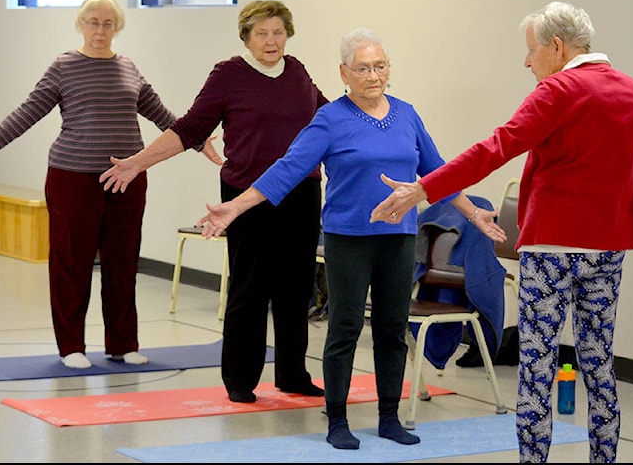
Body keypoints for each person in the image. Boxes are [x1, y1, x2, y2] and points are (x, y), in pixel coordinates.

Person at [370, 1, 633, 463]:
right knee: (599, 364)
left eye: (531, 51)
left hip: (552, 251)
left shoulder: (559, 90)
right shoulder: (632, 89)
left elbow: (497, 146)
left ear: (557, 46)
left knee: (538, 370)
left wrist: (423, 189)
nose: (527, 62)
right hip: (607, 250)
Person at [195, 27, 504, 450]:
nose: (373, 75)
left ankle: (389, 416)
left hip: (398, 238)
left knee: (393, 328)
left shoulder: (407, 114)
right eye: (363, 68)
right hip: (348, 239)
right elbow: (288, 169)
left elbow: (438, 173)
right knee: (344, 327)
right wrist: (236, 206)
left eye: (380, 66)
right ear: (344, 72)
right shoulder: (329, 119)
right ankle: (337, 420)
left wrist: (474, 214)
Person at [0, 0, 218, 370]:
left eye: (108, 23)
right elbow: (27, 113)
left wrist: (198, 140)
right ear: (81, 24)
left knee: (123, 262)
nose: (100, 30)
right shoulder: (64, 66)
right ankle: (71, 347)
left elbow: (162, 115)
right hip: (72, 178)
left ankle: (122, 343)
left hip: (127, 180)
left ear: (117, 28)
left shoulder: (128, 67)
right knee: (71, 264)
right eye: (93, 22)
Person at [100, 0, 328, 404]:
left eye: (278, 32)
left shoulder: (297, 73)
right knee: (250, 289)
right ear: (247, 36)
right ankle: (240, 380)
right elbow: (189, 128)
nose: (271, 40)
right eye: (262, 33)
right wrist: (138, 162)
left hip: (301, 194)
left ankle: (293, 374)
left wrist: (371, 111)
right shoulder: (229, 75)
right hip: (246, 198)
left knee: (296, 290)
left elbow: (329, 119)